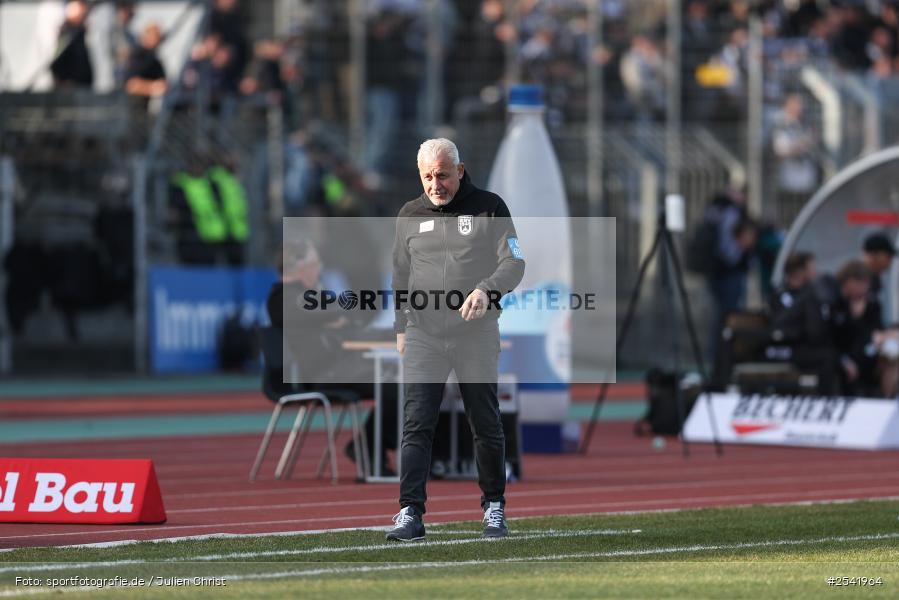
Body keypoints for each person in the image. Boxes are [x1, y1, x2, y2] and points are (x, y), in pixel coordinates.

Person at [386, 138, 525, 541]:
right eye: (428, 176)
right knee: (416, 423)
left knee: (484, 420)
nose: (436, 184)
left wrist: (486, 290)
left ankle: (494, 507)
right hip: (424, 334)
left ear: (460, 171)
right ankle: (410, 513)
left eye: (443, 175)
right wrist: (400, 327)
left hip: (475, 334)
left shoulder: (490, 207)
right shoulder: (409, 214)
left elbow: (515, 262)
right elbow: (399, 276)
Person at [266, 240, 398, 475]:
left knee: (408, 380)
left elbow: (350, 321)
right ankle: (369, 448)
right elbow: (331, 313)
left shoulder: (309, 296)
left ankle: (370, 447)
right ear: (300, 268)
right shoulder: (281, 298)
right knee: (400, 386)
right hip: (325, 374)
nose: (319, 269)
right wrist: (334, 316)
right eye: (316, 264)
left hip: (343, 368)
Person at [50, 0, 94, 89]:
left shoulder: (82, 31)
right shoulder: (67, 33)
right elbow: (57, 60)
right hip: (69, 86)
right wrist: (63, 80)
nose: (84, 11)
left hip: (84, 85)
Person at [769, 251, 815, 320]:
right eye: (811, 268)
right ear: (799, 271)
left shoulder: (810, 290)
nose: (815, 271)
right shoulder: (781, 295)